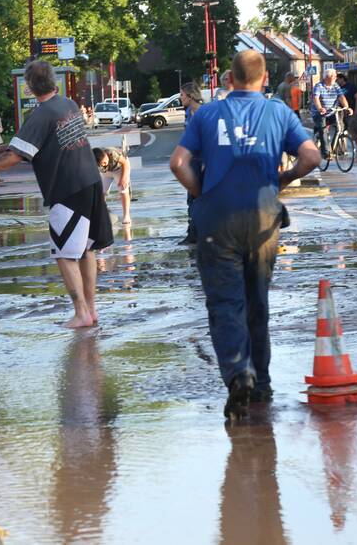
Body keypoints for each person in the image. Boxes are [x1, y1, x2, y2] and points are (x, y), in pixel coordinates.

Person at [169, 50, 321, 420]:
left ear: (231, 79)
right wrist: (281, 180)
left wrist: (201, 193)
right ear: (265, 77)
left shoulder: (206, 114)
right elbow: (311, 157)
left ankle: (239, 374)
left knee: (225, 303)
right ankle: (263, 384)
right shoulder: (279, 113)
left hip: (217, 220)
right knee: (257, 300)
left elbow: (178, 163)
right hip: (263, 217)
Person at [0, 60, 113, 329]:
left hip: (67, 189)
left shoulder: (42, 114)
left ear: (30, 87)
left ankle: (80, 313)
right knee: (86, 250)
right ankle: (91, 310)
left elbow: (17, 156)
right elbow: (33, 141)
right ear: (53, 81)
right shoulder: (67, 105)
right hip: (91, 181)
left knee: (65, 254)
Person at [178, 81, 203, 245]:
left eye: (182, 95)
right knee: (192, 197)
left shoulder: (204, 113)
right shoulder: (188, 112)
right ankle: (193, 232)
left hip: (202, 160)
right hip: (192, 160)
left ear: (190, 96)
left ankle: (197, 234)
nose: (180, 98)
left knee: (199, 196)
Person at [311, 68, 351, 157]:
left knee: (340, 127)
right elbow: (316, 98)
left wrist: (347, 107)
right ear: (327, 77)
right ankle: (326, 153)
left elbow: (341, 97)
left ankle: (333, 148)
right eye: (333, 76)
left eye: (335, 76)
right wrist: (320, 108)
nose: (335, 78)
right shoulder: (319, 86)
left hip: (332, 112)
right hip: (319, 113)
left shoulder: (336, 86)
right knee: (323, 130)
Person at [92, 147, 132, 225]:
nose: (104, 164)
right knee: (101, 192)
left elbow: (125, 164)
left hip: (120, 168)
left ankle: (126, 215)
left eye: (104, 162)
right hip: (106, 173)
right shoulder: (92, 159)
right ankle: (101, 214)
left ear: (105, 155)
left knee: (123, 190)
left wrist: (123, 178)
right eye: (101, 164)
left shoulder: (112, 154)